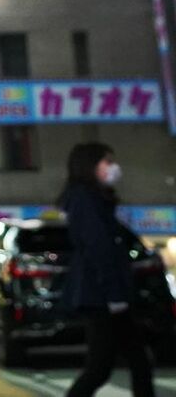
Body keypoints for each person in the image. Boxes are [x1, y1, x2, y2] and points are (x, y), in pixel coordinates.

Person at [61, 143, 156, 397]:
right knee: (105, 366)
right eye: (107, 162)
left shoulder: (92, 199)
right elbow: (99, 249)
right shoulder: (85, 199)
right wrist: (115, 294)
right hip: (102, 296)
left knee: (134, 361)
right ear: (90, 166)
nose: (114, 168)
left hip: (104, 295)